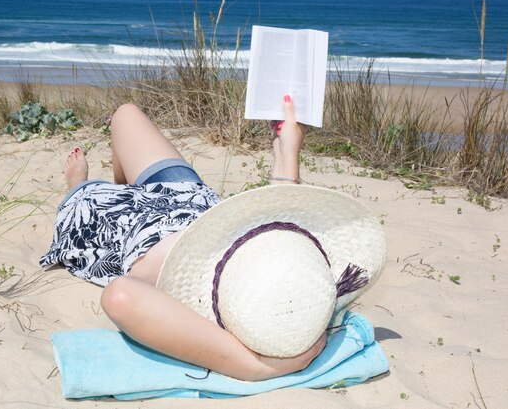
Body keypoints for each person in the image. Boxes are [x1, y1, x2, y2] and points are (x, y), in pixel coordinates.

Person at [40, 96, 327, 381]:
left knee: (84, 199)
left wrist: (255, 367)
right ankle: (123, 186)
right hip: (184, 193)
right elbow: (283, 235)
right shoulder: (281, 268)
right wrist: (287, 152)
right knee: (124, 114)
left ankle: (80, 185)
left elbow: (120, 296)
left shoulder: (199, 296)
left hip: (116, 222)